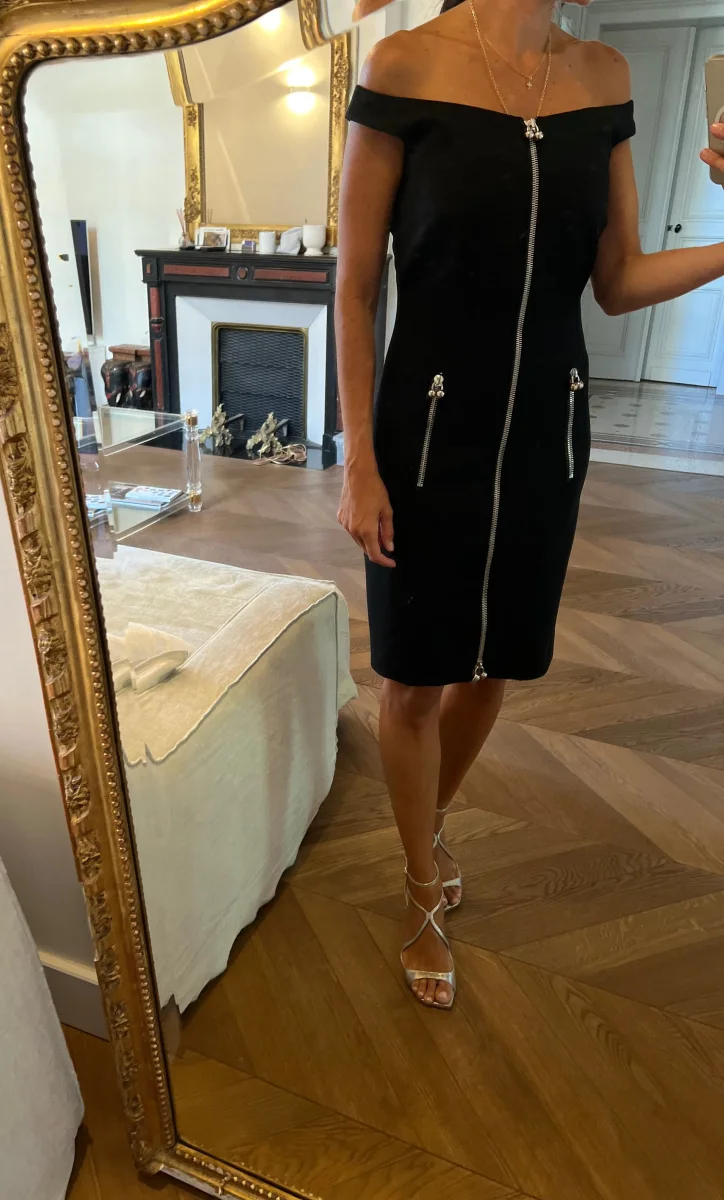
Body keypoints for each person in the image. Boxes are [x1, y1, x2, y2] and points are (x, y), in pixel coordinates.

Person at [335, 0, 724, 1010]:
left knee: (497, 664)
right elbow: (355, 287)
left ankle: (430, 828)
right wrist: (358, 459)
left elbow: (619, 280)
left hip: (550, 432)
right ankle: (421, 887)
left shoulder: (604, 76)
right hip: (423, 434)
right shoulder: (403, 65)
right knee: (414, 676)